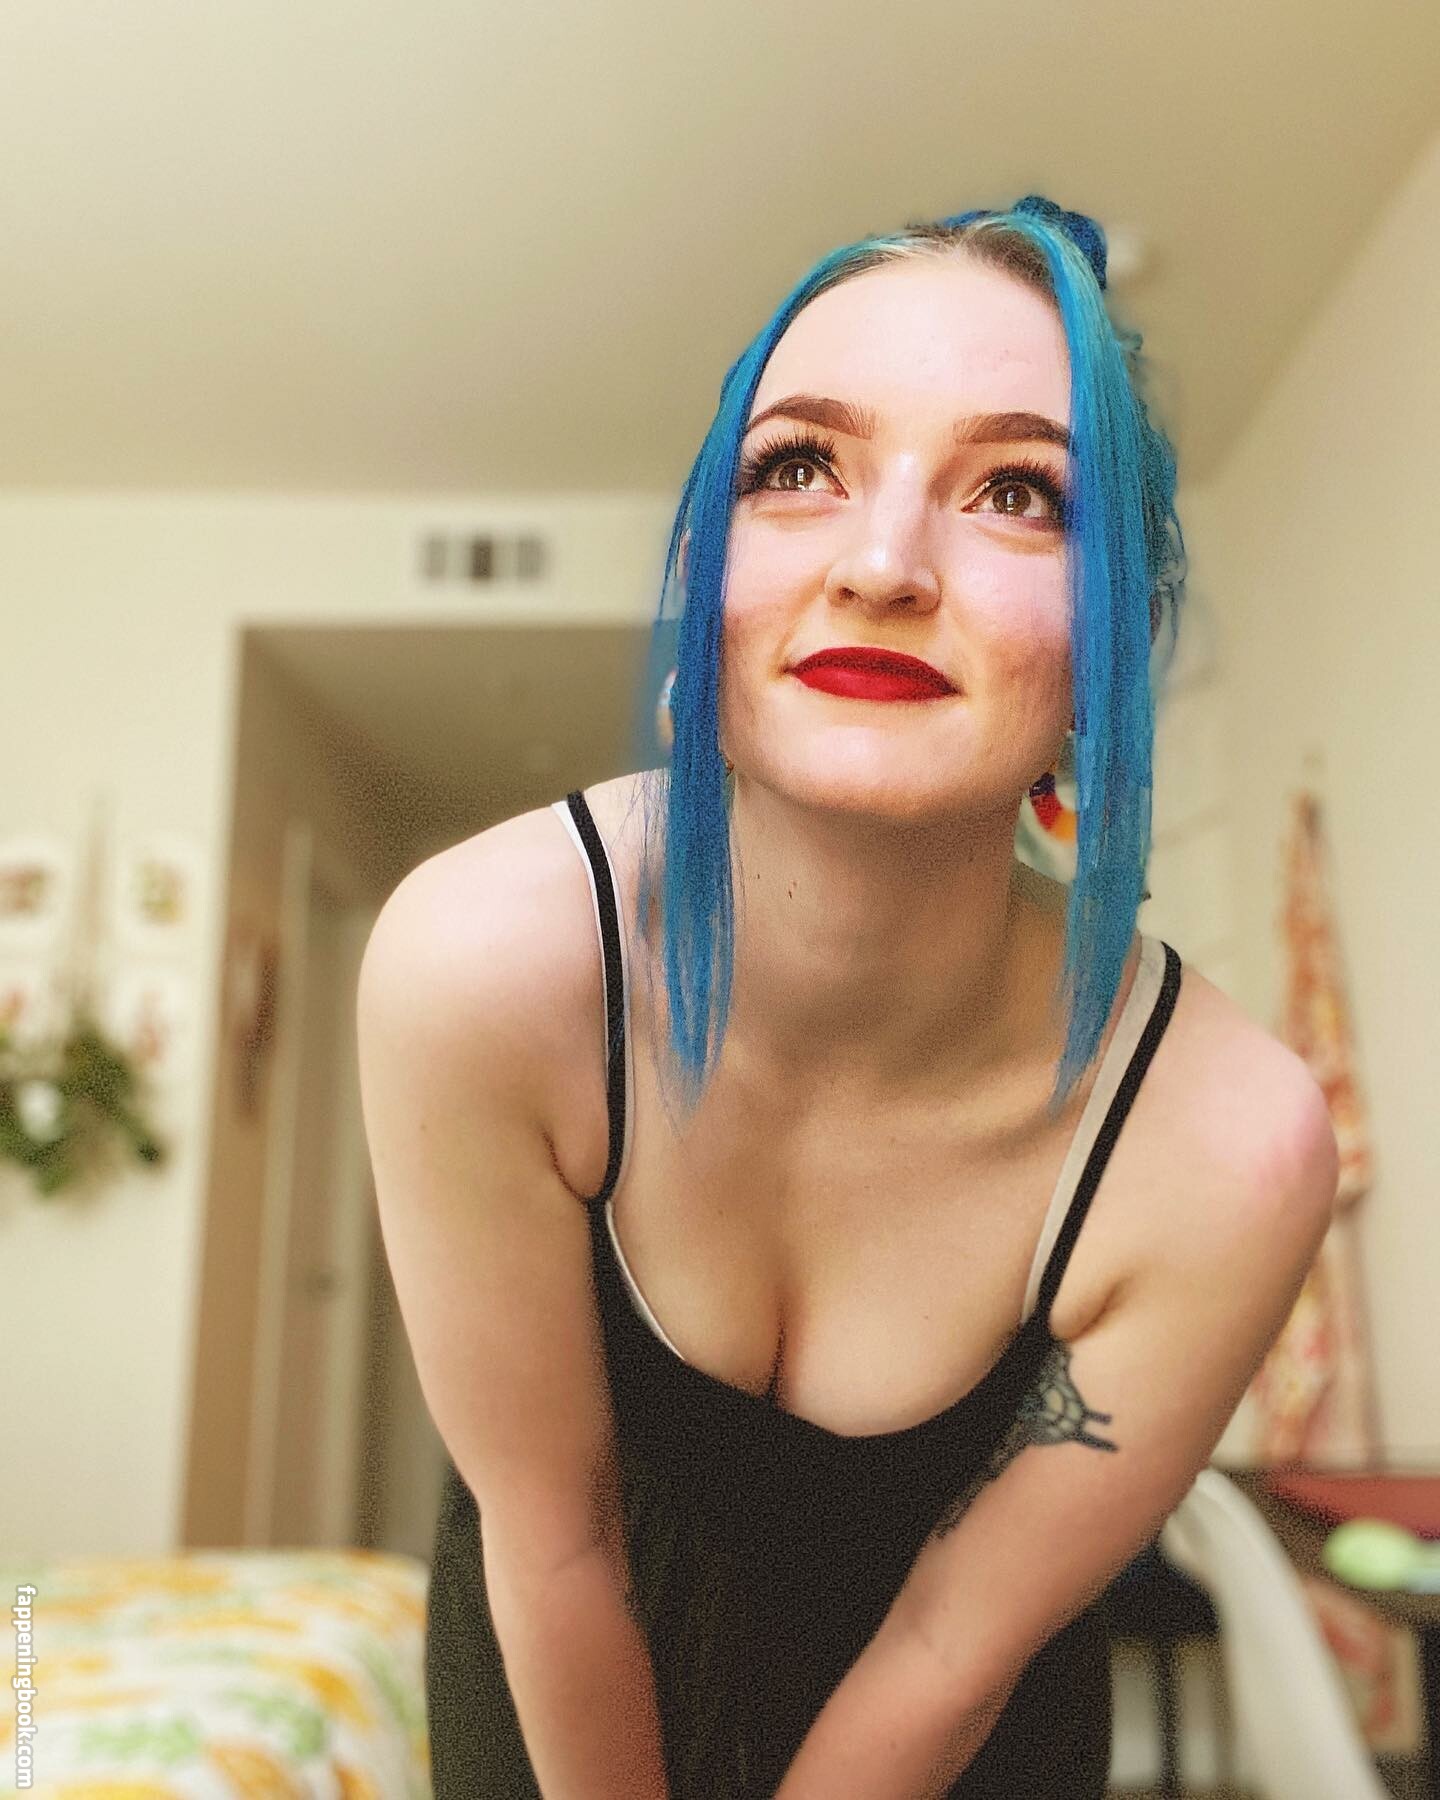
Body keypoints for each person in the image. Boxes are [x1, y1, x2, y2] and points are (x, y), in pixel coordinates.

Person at [358, 195, 1338, 1799]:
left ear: (1113, 653)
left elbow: (952, 1653)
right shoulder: (485, 968)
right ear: (701, 577)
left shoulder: (1225, 1144)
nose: (882, 565)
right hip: (554, 1687)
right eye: (798, 466)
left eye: (1018, 493)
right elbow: (554, 1539)